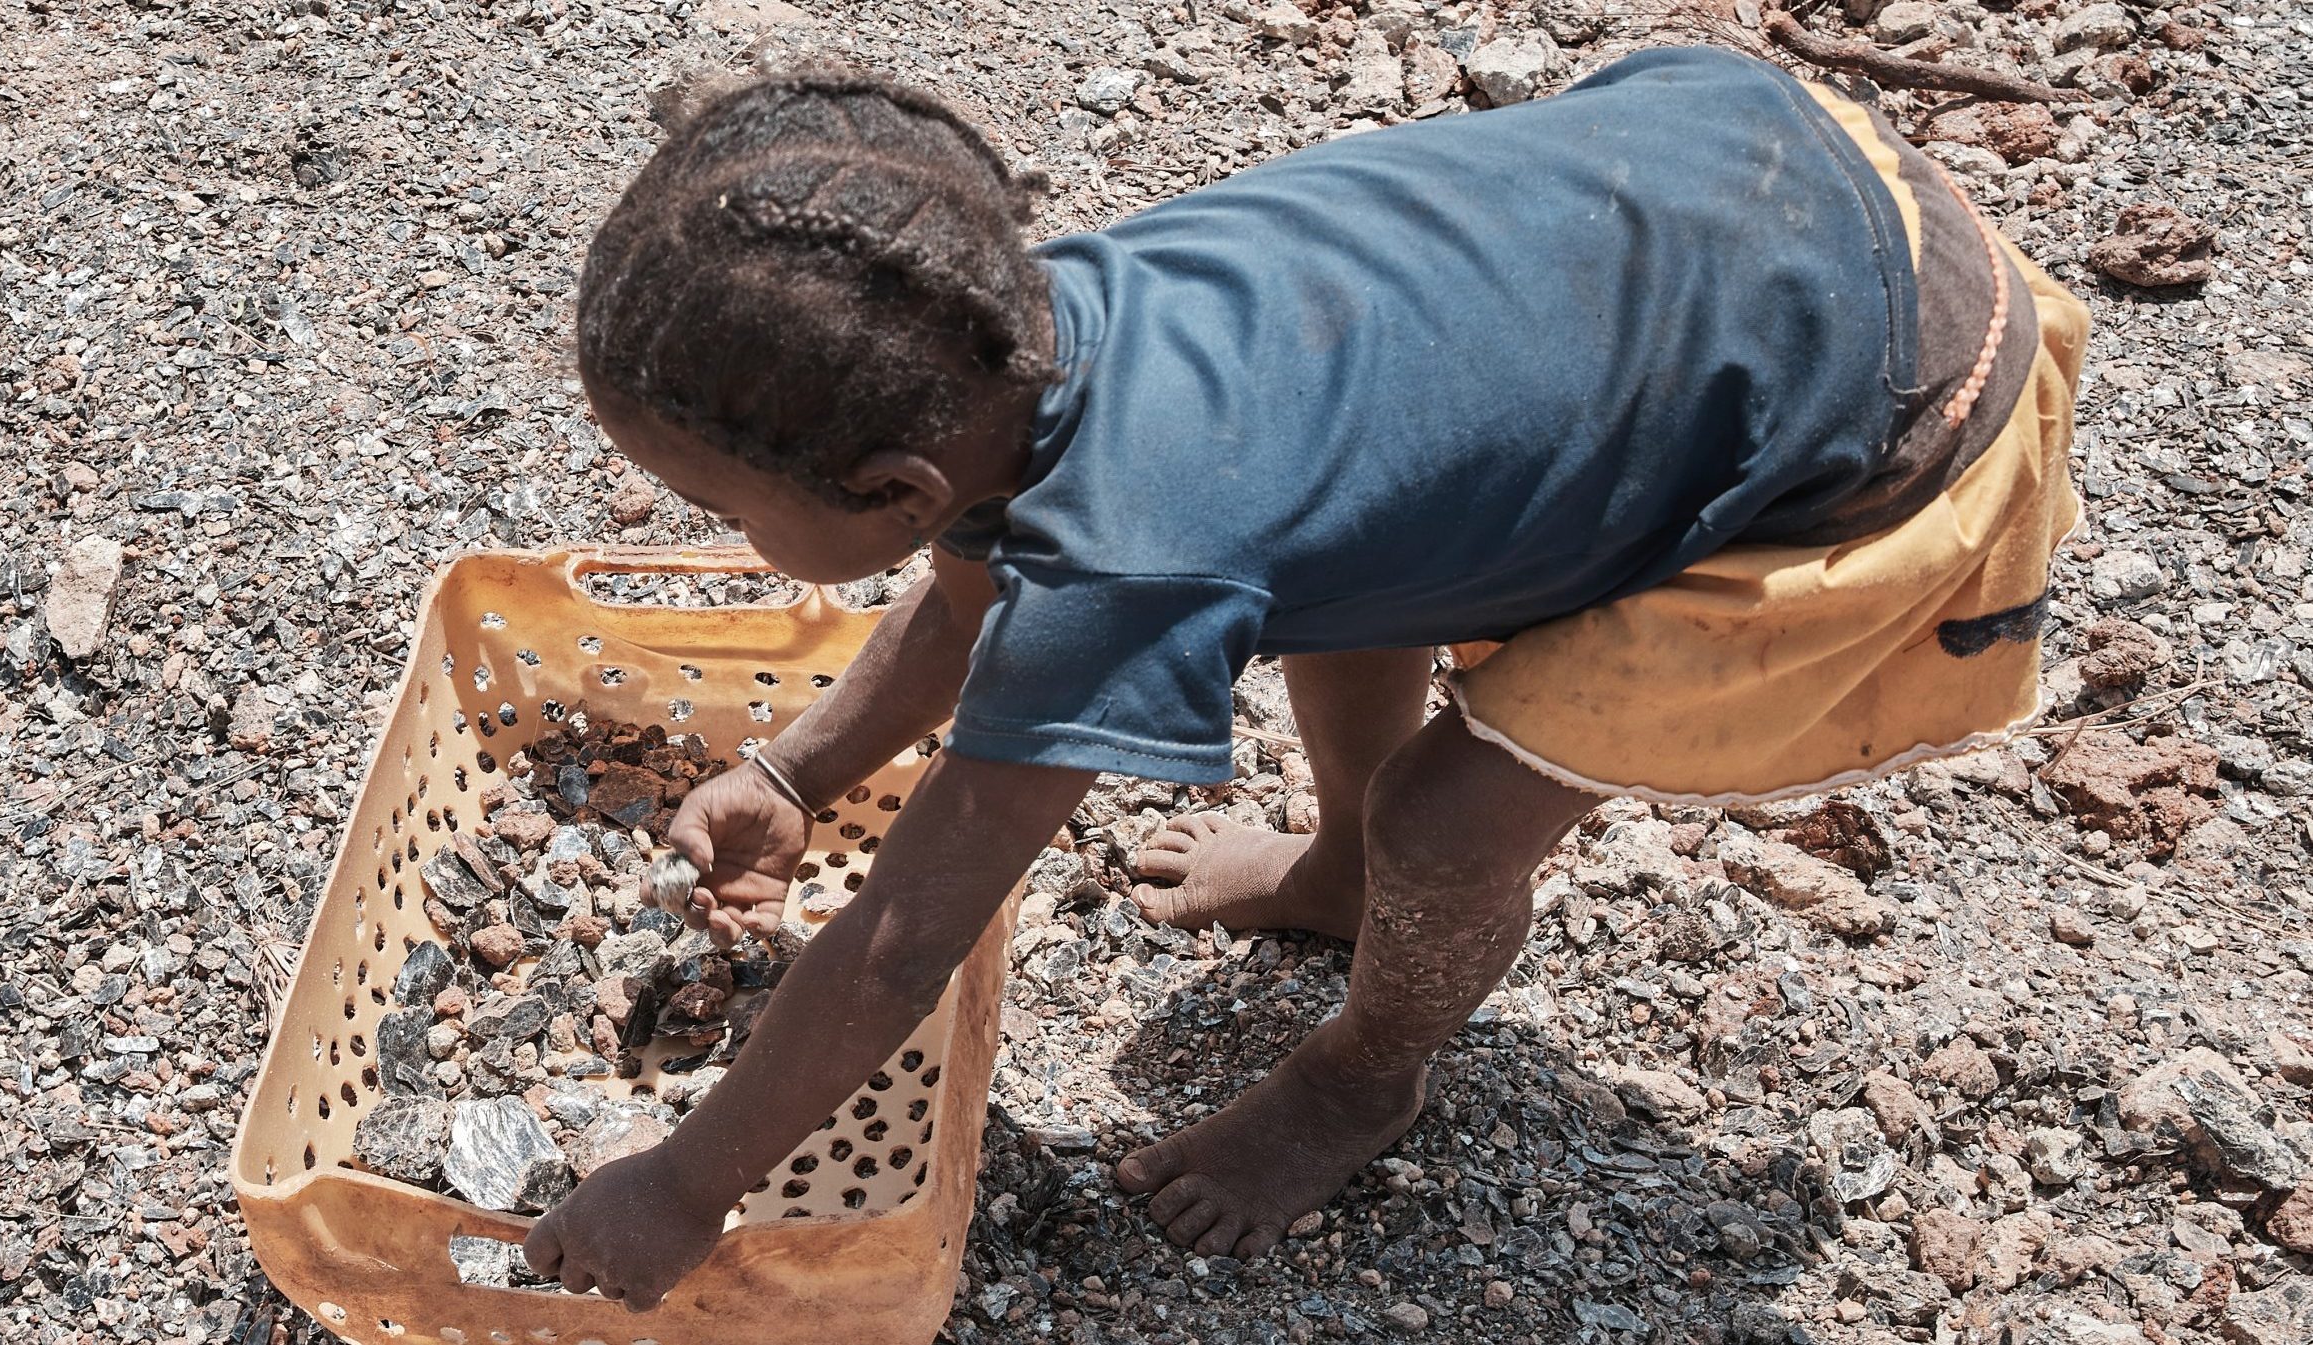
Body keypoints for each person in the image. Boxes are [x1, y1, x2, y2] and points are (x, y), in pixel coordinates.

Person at [524, 46, 2088, 1306]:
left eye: (724, 507)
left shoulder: (1131, 548)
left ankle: (1368, 1070)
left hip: (1877, 405)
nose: (714, 528)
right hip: (1749, 177)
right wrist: (796, 770)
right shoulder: (1024, 333)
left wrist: (681, 1181)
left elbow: (898, 939)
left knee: (1452, 820)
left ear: (893, 488)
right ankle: (1334, 874)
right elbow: (965, 590)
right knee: (1346, 555)